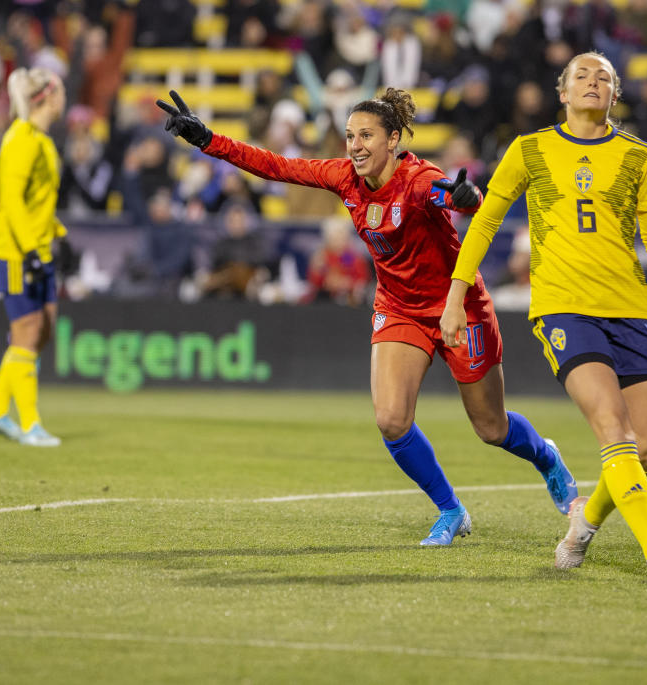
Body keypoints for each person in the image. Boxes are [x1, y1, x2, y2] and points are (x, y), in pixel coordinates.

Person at [157, 86, 577, 546]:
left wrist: (465, 195)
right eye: (349, 135)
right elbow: (277, 166)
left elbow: (460, 198)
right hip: (398, 307)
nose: (354, 146)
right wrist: (207, 140)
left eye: (366, 136)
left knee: (491, 428)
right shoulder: (344, 177)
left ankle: (546, 457)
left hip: (459, 306)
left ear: (393, 139)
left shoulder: (419, 180)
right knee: (391, 420)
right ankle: (450, 509)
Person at [440, 52, 647, 581]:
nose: (592, 82)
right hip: (563, 308)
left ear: (615, 94)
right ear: (562, 93)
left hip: (630, 310)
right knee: (614, 430)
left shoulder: (639, 156)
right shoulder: (531, 149)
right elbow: (485, 222)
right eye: (581, 76)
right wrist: (455, 297)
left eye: (603, 77)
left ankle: (584, 521)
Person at [0, 66, 68, 447]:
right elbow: (11, 203)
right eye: (61, 90)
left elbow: (36, 203)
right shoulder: (21, 139)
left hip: (38, 246)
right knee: (27, 331)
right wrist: (31, 250)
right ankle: (29, 423)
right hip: (14, 251)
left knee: (44, 328)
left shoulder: (41, 139)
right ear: (47, 95)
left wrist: (58, 234)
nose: (66, 97)